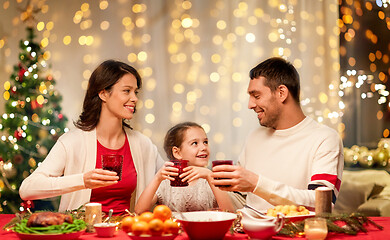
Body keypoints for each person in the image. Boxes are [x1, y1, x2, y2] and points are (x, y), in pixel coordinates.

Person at [19, 60, 164, 215]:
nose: (134, 98)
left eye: (135, 92)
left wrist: (193, 168)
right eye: (127, 91)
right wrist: (83, 181)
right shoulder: (72, 141)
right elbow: (27, 189)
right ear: (103, 94)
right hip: (83, 233)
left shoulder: (142, 144)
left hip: (128, 231)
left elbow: (170, 182)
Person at [211, 57, 344, 211]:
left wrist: (256, 183)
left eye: (256, 96)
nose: (250, 105)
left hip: (296, 233)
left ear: (281, 93)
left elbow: (322, 203)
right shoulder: (254, 137)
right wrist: (206, 178)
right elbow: (240, 198)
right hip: (250, 233)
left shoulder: (325, 138)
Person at [134, 122, 234, 213]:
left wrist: (209, 175)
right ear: (177, 152)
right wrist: (157, 178)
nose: (203, 147)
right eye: (195, 143)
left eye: (205, 142)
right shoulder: (166, 182)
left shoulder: (211, 180)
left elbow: (229, 213)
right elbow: (139, 211)